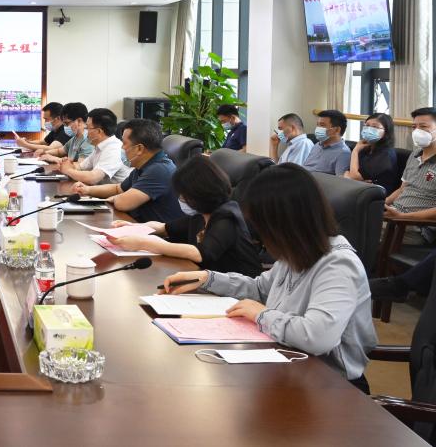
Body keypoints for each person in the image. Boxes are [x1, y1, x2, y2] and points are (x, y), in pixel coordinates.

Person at [162, 164, 377, 392]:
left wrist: (261, 315)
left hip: (332, 386)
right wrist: (207, 279)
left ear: (283, 223)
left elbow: (317, 336)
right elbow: (260, 289)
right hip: (287, 365)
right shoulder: (297, 252)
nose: (261, 236)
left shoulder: (338, 265)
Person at [105, 156, 261, 276]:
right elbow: (164, 228)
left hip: (239, 292)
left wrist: (143, 243)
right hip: (209, 281)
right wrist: (134, 228)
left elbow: (200, 254)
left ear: (198, 193)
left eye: (184, 195)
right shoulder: (201, 216)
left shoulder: (226, 218)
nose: (181, 199)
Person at [73, 118, 182, 223]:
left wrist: (115, 198)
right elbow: (118, 189)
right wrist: (87, 190)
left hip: (156, 233)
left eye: (124, 143)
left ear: (139, 148)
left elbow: (123, 203)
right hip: (138, 225)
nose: (122, 148)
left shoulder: (159, 170)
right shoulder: (144, 165)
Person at [381, 107, 436, 227]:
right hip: (395, 215)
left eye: (423, 126)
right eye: (414, 127)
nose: (417, 131)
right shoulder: (415, 155)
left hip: (418, 225)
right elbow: (402, 189)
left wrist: (402, 217)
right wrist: (381, 204)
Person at [51, 108, 130, 185]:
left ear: (99, 131)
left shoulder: (113, 149)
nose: (85, 131)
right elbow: (81, 167)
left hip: (116, 193)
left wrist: (68, 170)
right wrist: (67, 164)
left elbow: (93, 178)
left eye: (87, 128)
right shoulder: (100, 147)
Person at [344, 112, 399, 195]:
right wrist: (354, 178)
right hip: (360, 189)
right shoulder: (365, 147)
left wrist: (355, 151)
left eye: (375, 127)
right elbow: (348, 172)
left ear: (386, 132)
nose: (369, 129)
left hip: (377, 195)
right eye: (367, 125)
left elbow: (354, 176)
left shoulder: (387, 153)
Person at [302, 109, 352, 176]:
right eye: (317, 125)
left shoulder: (343, 153)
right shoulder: (317, 145)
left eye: (322, 125)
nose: (318, 128)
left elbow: (340, 180)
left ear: (337, 130)